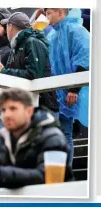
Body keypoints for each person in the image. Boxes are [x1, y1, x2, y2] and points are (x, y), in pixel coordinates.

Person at [0, 88, 74, 190]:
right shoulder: (1, 137)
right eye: (3, 110)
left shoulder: (52, 136)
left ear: (29, 111)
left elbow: (47, 178)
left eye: (13, 108)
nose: (7, 115)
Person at [0, 12, 60, 113]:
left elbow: (33, 74)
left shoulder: (33, 42)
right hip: (26, 105)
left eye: (6, 26)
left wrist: (3, 71)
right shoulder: (16, 47)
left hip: (43, 107)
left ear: (10, 27)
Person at [45, 8, 90, 165]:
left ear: (59, 12)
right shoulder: (52, 35)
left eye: (49, 12)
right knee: (59, 134)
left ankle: (66, 173)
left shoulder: (77, 30)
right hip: (56, 95)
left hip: (71, 93)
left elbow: (85, 58)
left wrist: (74, 88)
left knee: (66, 133)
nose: (46, 17)